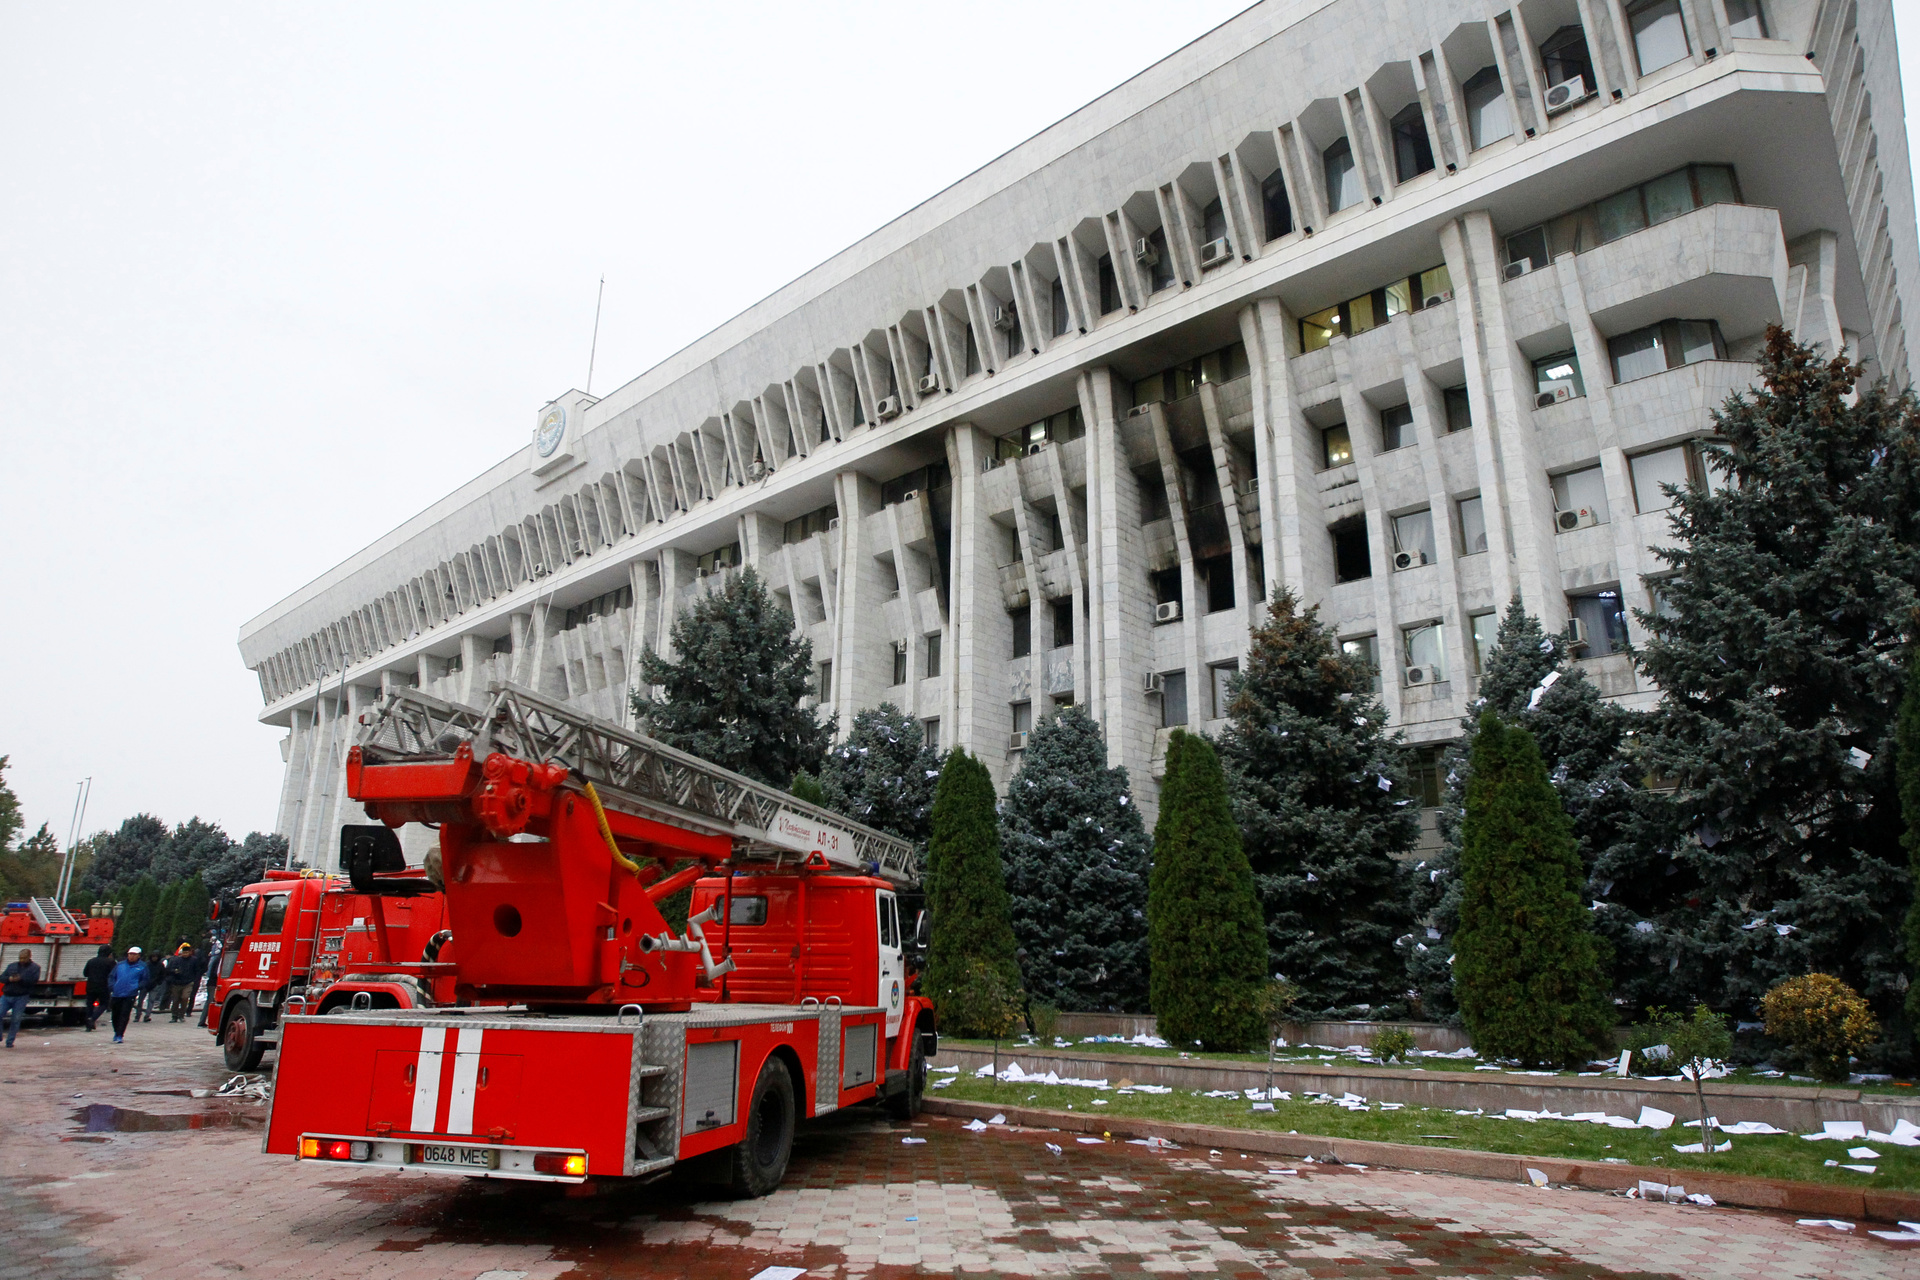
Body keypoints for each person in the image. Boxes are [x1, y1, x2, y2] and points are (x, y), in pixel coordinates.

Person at [1, 948, 41, 1049]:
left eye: (24, 958)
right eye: (20, 958)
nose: (21, 960)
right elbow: (1, 977)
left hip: (21, 996)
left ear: (29, 957)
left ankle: (9, 1041)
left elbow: (33, 982)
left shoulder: (34, 968)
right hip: (7, 995)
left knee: (16, 1019)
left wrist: (21, 979)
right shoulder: (12, 966)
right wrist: (9, 979)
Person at [108, 947, 148, 1042]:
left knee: (124, 1014)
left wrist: (137, 987)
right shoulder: (120, 965)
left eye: (134, 954)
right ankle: (116, 1030)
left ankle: (120, 1034)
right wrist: (112, 986)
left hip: (130, 994)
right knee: (115, 1015)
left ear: (139, 955)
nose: (131, 956)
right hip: (117, 993)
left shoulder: (142, 966)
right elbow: (112, 976)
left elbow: (145, 980)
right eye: (130, 954)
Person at [81, 944, 114, 1032]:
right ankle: (93, 1019)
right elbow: (114, 974)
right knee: (104, 1004)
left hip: (91, 986)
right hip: (104, 986)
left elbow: (85, 973)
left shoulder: (91, 961)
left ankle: (88, 1024)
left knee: (89, 1004)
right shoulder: (110, 962)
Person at [163, 945, 197, 1022]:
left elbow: (197, 970)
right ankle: (174, 1016)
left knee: (185, 998)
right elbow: (169, 970)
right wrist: (175, 971)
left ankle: (181, 1015)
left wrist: (194, 979)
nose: (185, 954)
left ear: (190, 953)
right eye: (183, 953)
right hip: (176, 982)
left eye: (186, 952)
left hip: (188, 982)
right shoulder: (176, 960)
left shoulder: (194, 960)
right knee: (175, 1000)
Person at [135, 950, 164, 1022]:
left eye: (156, 957)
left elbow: (163, 974)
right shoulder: (147, 964)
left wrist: (159, 982)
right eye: (153, 956)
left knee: (151, 1000)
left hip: (154, 985)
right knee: (140, 1000)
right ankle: (138, 1015)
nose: (154, 958)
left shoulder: (160, 965)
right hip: (145, 984)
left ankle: (147, 1015)